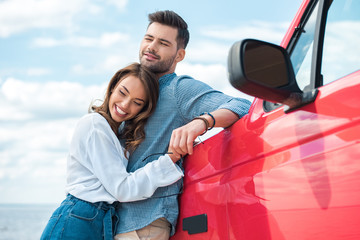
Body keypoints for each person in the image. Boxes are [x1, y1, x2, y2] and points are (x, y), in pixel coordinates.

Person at [114, 10, 252, 240]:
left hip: (145, 225)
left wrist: (201, 122)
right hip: (117, 222)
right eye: (149, 39)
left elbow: (242, 105)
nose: (152, 47)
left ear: (179, 55)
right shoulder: (131, 91)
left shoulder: (179, 89)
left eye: (163, 43)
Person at [40, 63, 184, 240]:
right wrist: (167, 161)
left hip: (98, 219)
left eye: (137, 103)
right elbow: (122, 188)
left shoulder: (114, 134)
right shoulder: (94, 124)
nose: (125, 105)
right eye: (122, 92)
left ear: (143, 109)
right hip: (81, 216)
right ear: (113, 87)